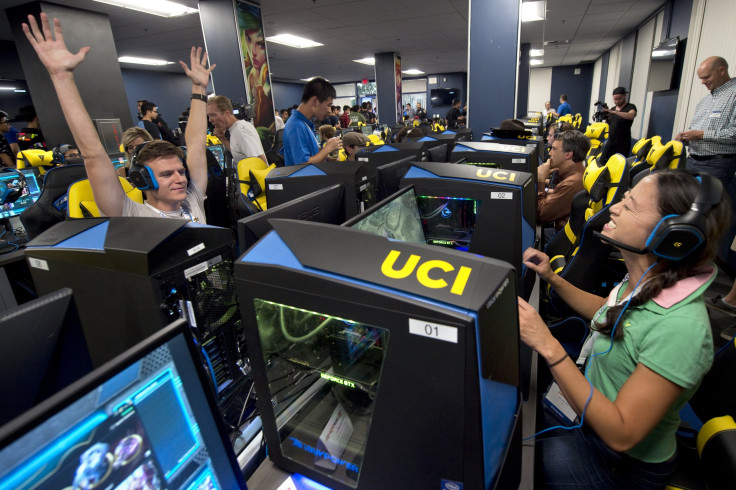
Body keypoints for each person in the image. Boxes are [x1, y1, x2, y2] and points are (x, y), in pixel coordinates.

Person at [518, 170, 729, 488]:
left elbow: (621, 433)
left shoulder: (681, 327)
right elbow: (608, 313)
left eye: (629, 206)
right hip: (589, 423)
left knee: (521, 463)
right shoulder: (651, 278)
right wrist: (553, 278)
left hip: (618, 464)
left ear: (673, 235)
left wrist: (547, 345)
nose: (614, 207)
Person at [23, 13, 214, 222]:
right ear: (142, 178)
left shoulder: (192, 199)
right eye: (167, 174)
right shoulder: (130, 214)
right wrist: (62, 77)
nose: (180, 179)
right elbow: (93, 155)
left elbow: (195, 144)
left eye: (180, 171)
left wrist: (199, 88)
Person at [281, 77, 342, 166]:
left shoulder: (304, 124)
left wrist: (324, 156)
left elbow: (309, 156)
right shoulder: (296, 126)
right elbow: (302, 164)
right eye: (328, 105)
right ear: (315, 101)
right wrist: (327, 149)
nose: (329, 111)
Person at [536, 131, 589, 231]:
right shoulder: (576, 174)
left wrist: (540, 180)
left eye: (554, 149)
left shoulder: (572, 183)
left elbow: (540, 215)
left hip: (558, 237)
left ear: (568, 155)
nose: (550, 153)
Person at [206, 95, 266, 165]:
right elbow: (239, 153)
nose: (210, 120)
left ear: (227, 113)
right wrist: (222, 139)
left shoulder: (240, 130)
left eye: (213, 115)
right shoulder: (235, 129)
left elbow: (260, 160)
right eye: (209, 116)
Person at [601, 87, 637, 161]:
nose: (617, 101)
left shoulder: (630, 107)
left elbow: (631, 115)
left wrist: (615, 112)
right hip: (610, 141)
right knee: (603, 162)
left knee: (618, 165)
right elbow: (608, 124)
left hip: (622, 143)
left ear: (624, 96)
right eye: (615, 99)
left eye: (619, 99)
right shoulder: (612, 109)